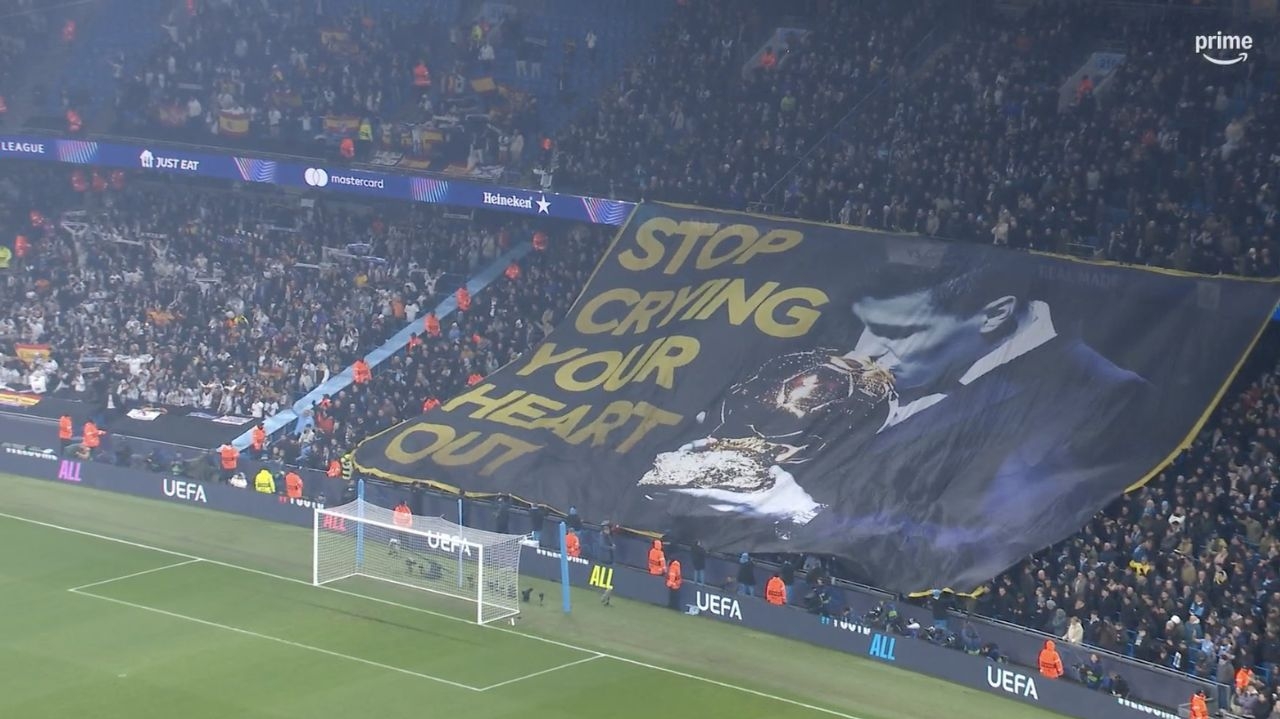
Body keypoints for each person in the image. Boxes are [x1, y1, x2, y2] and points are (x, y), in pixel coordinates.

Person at [649, 247, 1156, 591]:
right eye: (868, 328)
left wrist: (795, 512)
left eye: (900, 332)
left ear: (994, 314)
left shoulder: (1094, 395)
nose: (869, 352)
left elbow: (967, 544)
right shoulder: (890, 377)